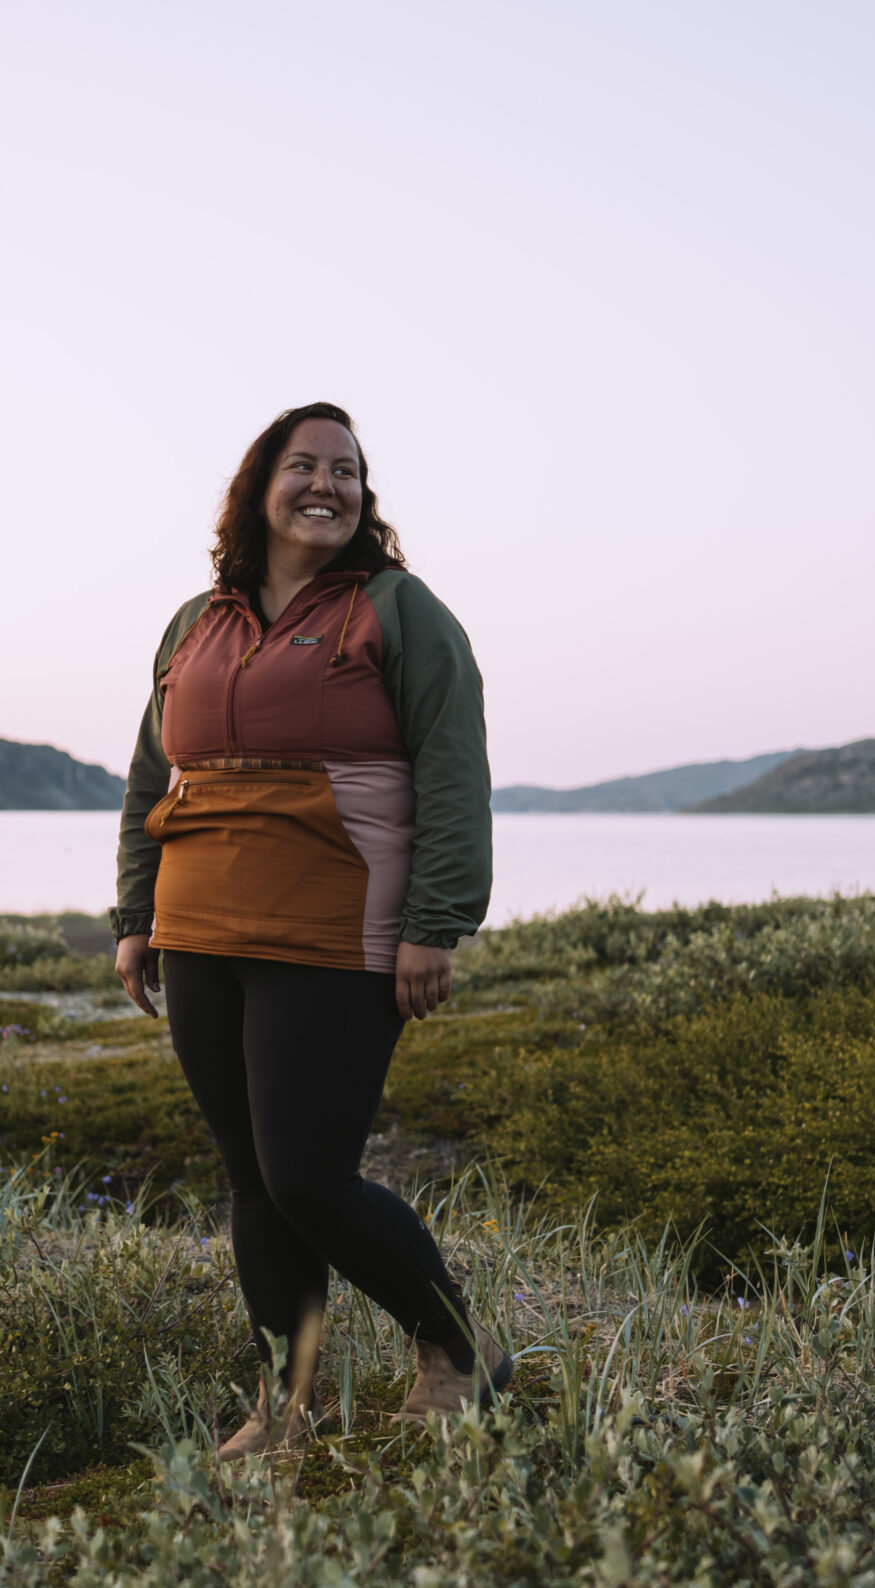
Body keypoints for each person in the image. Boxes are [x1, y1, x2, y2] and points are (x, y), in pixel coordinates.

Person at [113, 401, 510, 1460]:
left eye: (347, 469)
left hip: (336, 929)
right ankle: (287, 1409)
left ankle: (459, 1348)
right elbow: (156, 774)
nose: (326, 484)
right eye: (303, 466)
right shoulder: (195, 622)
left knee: (306, 1177)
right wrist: (135, 914)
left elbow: (453, 772)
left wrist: (436, 922)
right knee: (251, 1181)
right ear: (259, 489)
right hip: (200, 928)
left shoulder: (399, 610)